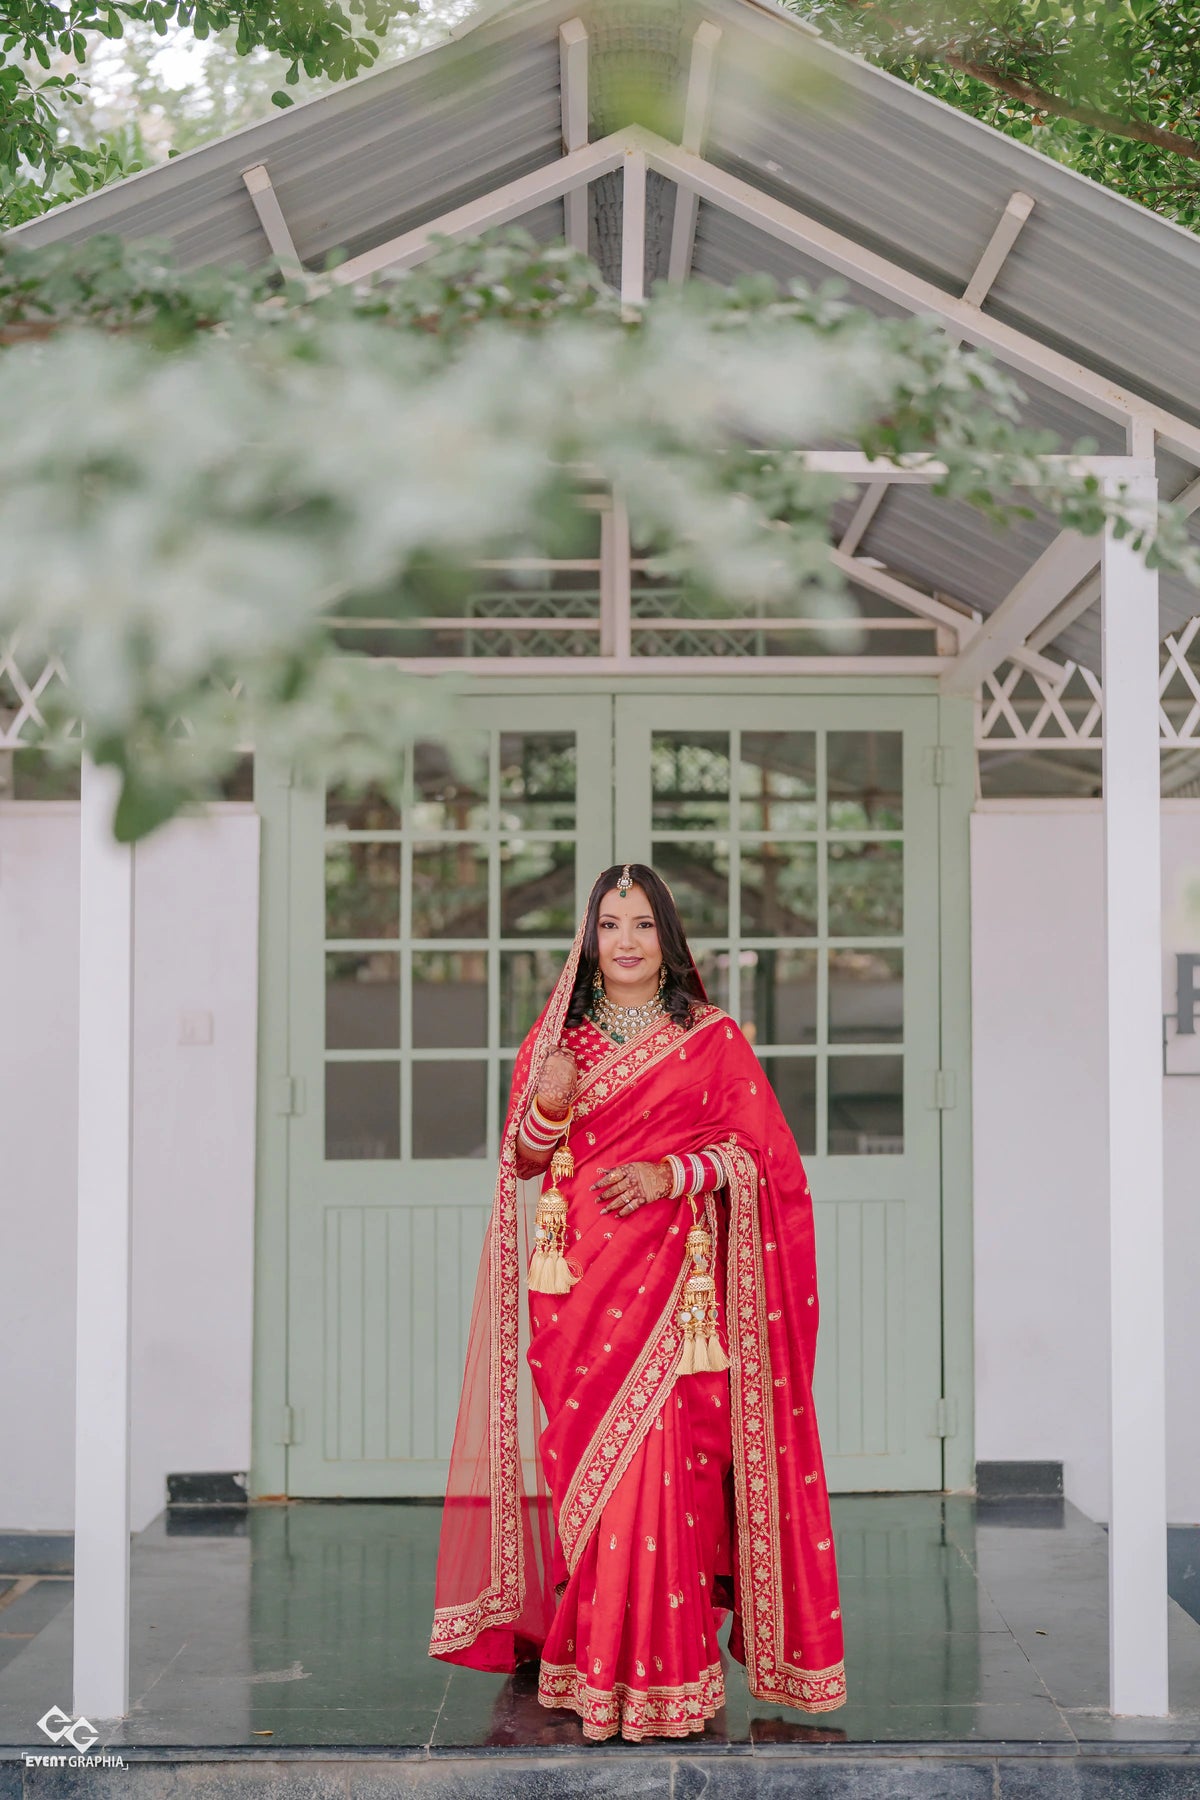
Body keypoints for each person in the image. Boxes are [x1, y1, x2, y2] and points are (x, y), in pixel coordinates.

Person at [428, 862, 847, 1742]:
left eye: (642, 925)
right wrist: (545, 1108)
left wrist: (671, 1173)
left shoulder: (713, 1037)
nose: (624, 941)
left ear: (668, 939)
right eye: (609, 924)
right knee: (593, 1477)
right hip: (578, 1283)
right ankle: (592, 1664)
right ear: (588, 939)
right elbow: (525, 1162)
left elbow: (766, 1164)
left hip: (679, 1292)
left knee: (674, 1476)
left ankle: (673, 1675)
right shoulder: (560, 1041)